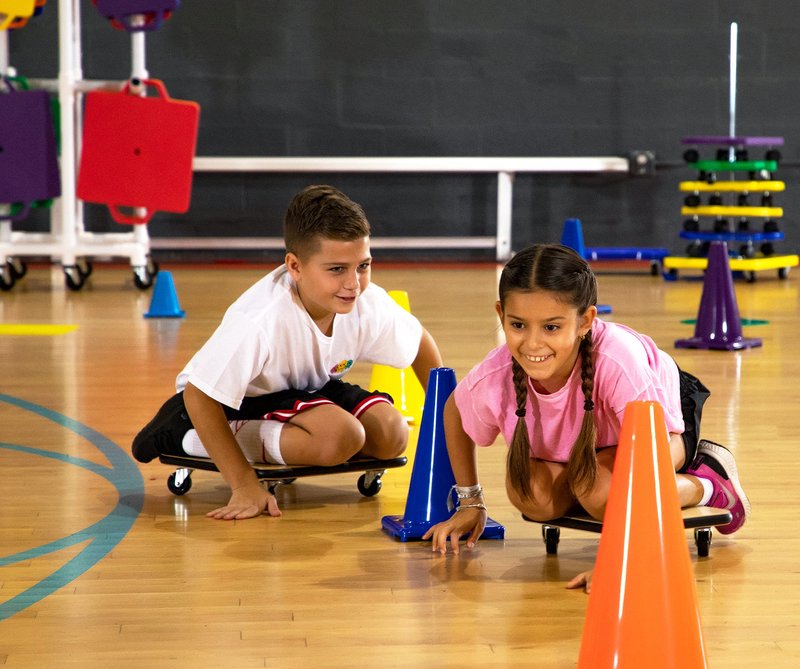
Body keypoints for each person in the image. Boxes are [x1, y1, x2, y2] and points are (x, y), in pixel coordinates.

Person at [422, 243, 750, 591]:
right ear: (501, 314)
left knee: (601, 494)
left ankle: (708, 484)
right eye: (518, 325)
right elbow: (455, 411)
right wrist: (470, 502)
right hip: (587, 440)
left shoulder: (619, 362)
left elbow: (648, 460)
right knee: (530, 496)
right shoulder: (497, 372)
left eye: (551, 327)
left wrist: (620, 558)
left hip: (658, 426)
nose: (532, 344)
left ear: (585, 321)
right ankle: (591, 478)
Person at [132, 184, 442, 520]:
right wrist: (243, 483)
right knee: (339, 437)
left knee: (393, 434)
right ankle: (183, 436)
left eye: (363, 265)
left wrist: (444, 427)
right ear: (295, 267)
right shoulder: (260, 319)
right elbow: (198, 394)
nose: (354, 283)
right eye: (337, 269)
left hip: (309, 388)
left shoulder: (366, 301)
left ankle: (297, 441)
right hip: (234, 401)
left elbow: (420, 344)